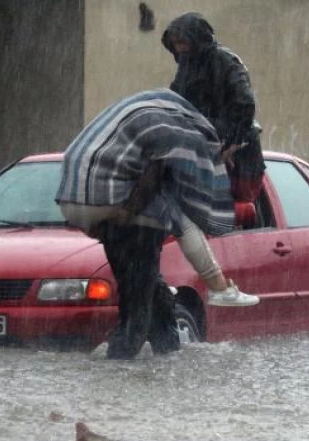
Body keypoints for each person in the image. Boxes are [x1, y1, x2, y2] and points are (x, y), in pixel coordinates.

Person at [56, 89, 246, 359]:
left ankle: (166, 354)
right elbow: (183, 224)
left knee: (152, 294)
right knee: (137, 309)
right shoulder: (186, 137)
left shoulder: (163, 115)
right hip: (125, 210)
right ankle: (119, 370)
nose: (231, 162)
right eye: (232, 154)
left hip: (76, 193)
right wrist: (127, 211)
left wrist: (100, 222)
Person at [161, 12, 266, 204]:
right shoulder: (187, 66)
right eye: (176, 43)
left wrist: (232, 145)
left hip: (236, 153)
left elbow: (245, 104)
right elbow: (175, 99)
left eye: (183, 42)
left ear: (197, 39)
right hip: (201, 143)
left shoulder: (226, 61)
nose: (179, 48)